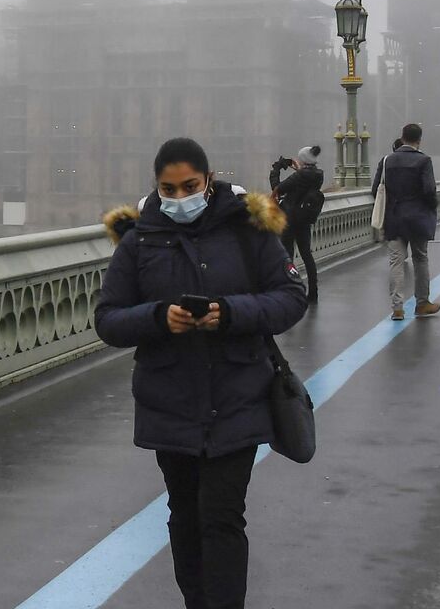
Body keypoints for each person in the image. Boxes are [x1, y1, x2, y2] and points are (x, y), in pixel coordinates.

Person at [97, 137, 308, 609]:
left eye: (188, 186)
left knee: (222, 516)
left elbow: (291, 297)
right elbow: (108, 319)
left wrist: (228, 313)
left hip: (238, 394)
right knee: (185, 517)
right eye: (168, 190)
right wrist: (157, 318)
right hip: (169, 399)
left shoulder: (247, 229)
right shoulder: (139, 240)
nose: (178, 198)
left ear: (208, 180)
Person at [372, 123, 440, 321]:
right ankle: (422, 304)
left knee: (396, 261)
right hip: (418, 218)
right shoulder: (424, 161)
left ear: (402, 138)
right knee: (420, 259)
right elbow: (429, 190)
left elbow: (375, 189)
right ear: (419, 140)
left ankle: (397, 308)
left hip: (394, 218)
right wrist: (430, 207)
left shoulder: (387, 161)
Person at [270, 145, 325, 305]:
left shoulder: (301, 175)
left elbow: (277, 188)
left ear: (304, 160)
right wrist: (298, 169)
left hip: (290, 218)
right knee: (306, 255)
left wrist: (276, 169)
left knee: (287, 255)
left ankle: (291, 290)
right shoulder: (317, 174)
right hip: (304, 219)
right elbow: (302, 184)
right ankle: (313, 292)